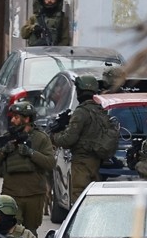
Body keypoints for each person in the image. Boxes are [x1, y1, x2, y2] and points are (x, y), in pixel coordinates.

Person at [0, 101, 55, 235]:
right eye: (12, 117)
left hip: (34, 194)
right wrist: (4, 151)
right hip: (11, 194)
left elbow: (50, 163)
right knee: (11, 231)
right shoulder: (7, 138)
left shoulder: (41, 138)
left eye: (16, 117)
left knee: (30, 232)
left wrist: (31, 153)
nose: (12, 120)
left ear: (27, 118)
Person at [48, 75, 112, 206]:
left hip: (82, 162)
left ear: (79, 91)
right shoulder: (100, 111)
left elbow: (68, 139)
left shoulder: (81, 112)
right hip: (96, 162)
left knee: (79, 199)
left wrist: (54, 136)